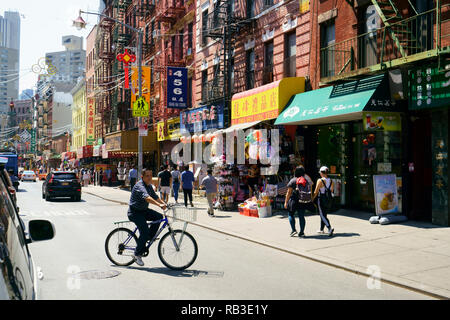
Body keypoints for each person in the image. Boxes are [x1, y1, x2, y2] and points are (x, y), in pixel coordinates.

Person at [128, 168, 167, 266]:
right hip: (135, 212)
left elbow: (154, 196)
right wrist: (159, 205)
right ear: (142, 177)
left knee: (158, 216)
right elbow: (147, 198)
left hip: (143, 211)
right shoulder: (139, 186)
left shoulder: (149, 186)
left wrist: (164, 203)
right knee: (144, 231)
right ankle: (136, 254)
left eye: (151, 175)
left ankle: (147, 238)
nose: (150, 178)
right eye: (147, 176)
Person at [284, 166, 314, 238]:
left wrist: (286, 202)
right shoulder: (305, 180)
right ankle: (302, 232)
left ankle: (293, 230)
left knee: (290, 214)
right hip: (302, 200)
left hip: (294, 200)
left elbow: (289, 192)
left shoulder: (293, 180)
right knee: (301, 216)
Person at [312, 166, 334, 237]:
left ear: (322, 173)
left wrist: (312, 198)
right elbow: (332, 190)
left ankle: (329, 228)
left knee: (322, 214)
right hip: (328, 199)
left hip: (321, 198)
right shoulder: (331, 180)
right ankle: (321, 229)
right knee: (324, 214)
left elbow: (316, 191)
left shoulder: (320, 180)